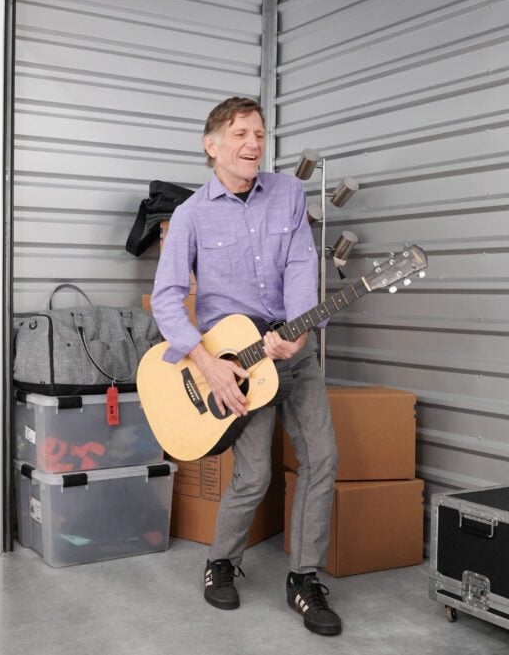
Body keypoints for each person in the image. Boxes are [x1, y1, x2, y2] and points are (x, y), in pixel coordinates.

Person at [150, 97, 341, 636]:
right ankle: (221, 562)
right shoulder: (189, 215)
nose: (253, 143)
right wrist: (208, 365)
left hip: (291, 354)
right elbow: (166, 299)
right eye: (240, 134)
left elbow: (303, 263)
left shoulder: (287, 193)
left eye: (259, 133)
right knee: (254, 474)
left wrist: (299, 329)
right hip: (233, 366)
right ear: (212, 146)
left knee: (322, 458)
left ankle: (304, 578)